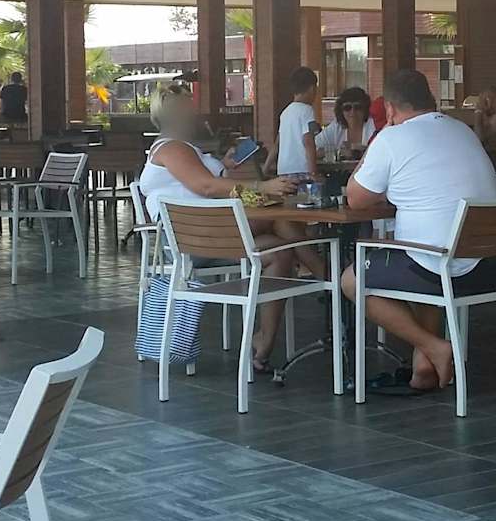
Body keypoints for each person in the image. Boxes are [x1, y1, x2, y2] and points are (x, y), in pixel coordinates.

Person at [342, 70, 496, 395]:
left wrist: (376, 142)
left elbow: (355, 198)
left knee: (351, 280)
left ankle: (434, 347)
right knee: (424, 262)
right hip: (490, 265)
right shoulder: (462, 130)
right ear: (430, 100)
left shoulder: (391, 139)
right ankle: (423, 367)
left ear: (389, 109)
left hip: (441, 267)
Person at [138, 89, 297, 372]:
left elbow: (202, 182)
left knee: (280, 251)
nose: (195, 113)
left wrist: (224, 165)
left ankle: (264, 341)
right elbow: (206, 187)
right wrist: (262, 186)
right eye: (189, 108)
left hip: (209, 236)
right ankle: (329, 283)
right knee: (280, 219)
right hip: (195, 239)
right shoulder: (172, 148)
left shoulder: (185, 147)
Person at [272, 66, 321, 177]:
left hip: (283, 170)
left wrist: (265, 170)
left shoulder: (285, 113)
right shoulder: (307, 110)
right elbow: (308, 141)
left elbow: (277, 144)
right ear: (312, 89)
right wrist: (313, 172)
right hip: (301, 169)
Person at [319, 86, 375, 157]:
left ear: (365, 109)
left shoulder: (372, 126)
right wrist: (339, 152)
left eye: (358, 107)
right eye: (347, 108)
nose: (352, 112)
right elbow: (313, 147)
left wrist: (356, 153)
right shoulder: (336, 127)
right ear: (341, 110)